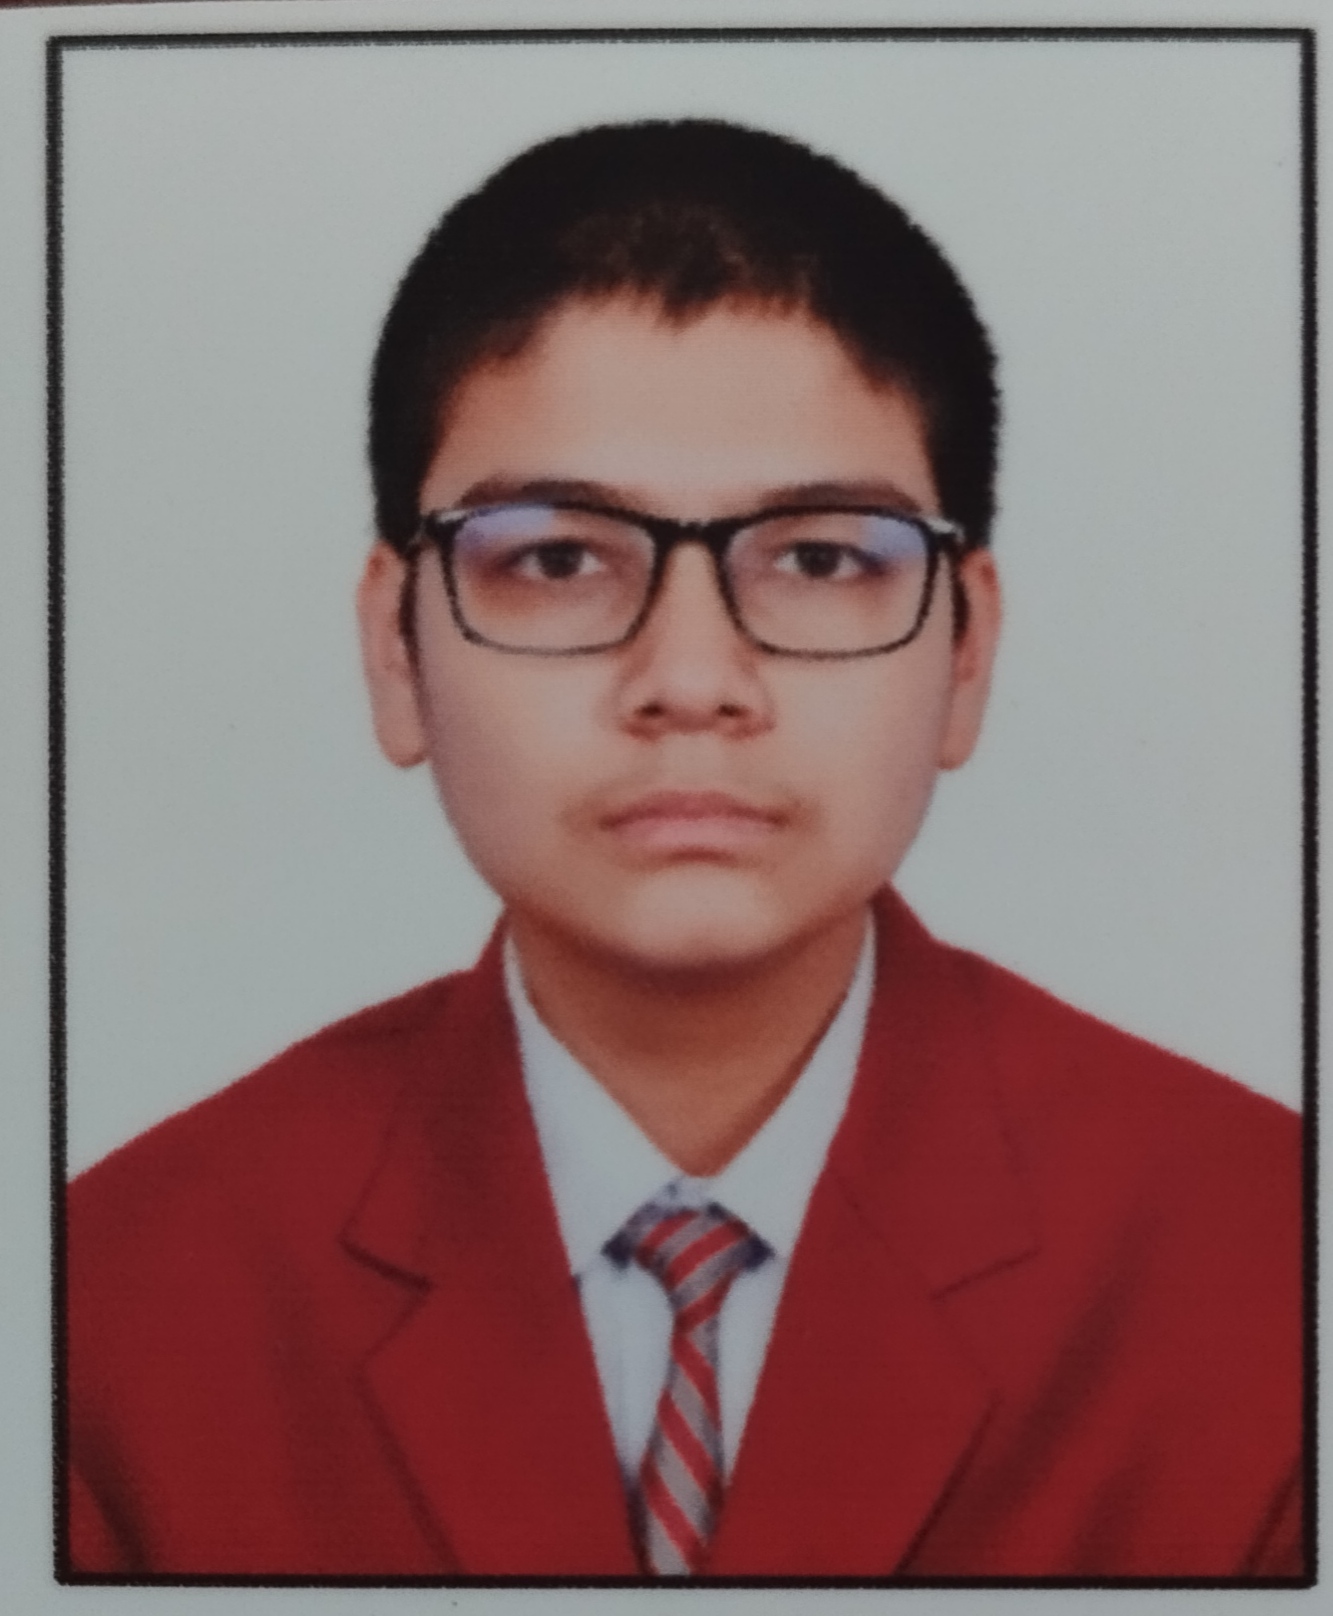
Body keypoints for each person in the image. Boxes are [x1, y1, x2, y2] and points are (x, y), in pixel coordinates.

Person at [65, 119, 1303, 1580]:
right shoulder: (114, 1303)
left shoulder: (1268, 1264)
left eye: (821, 557)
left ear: (966, 651)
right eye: (557, 557)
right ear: (395, 650)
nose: (694, 681)